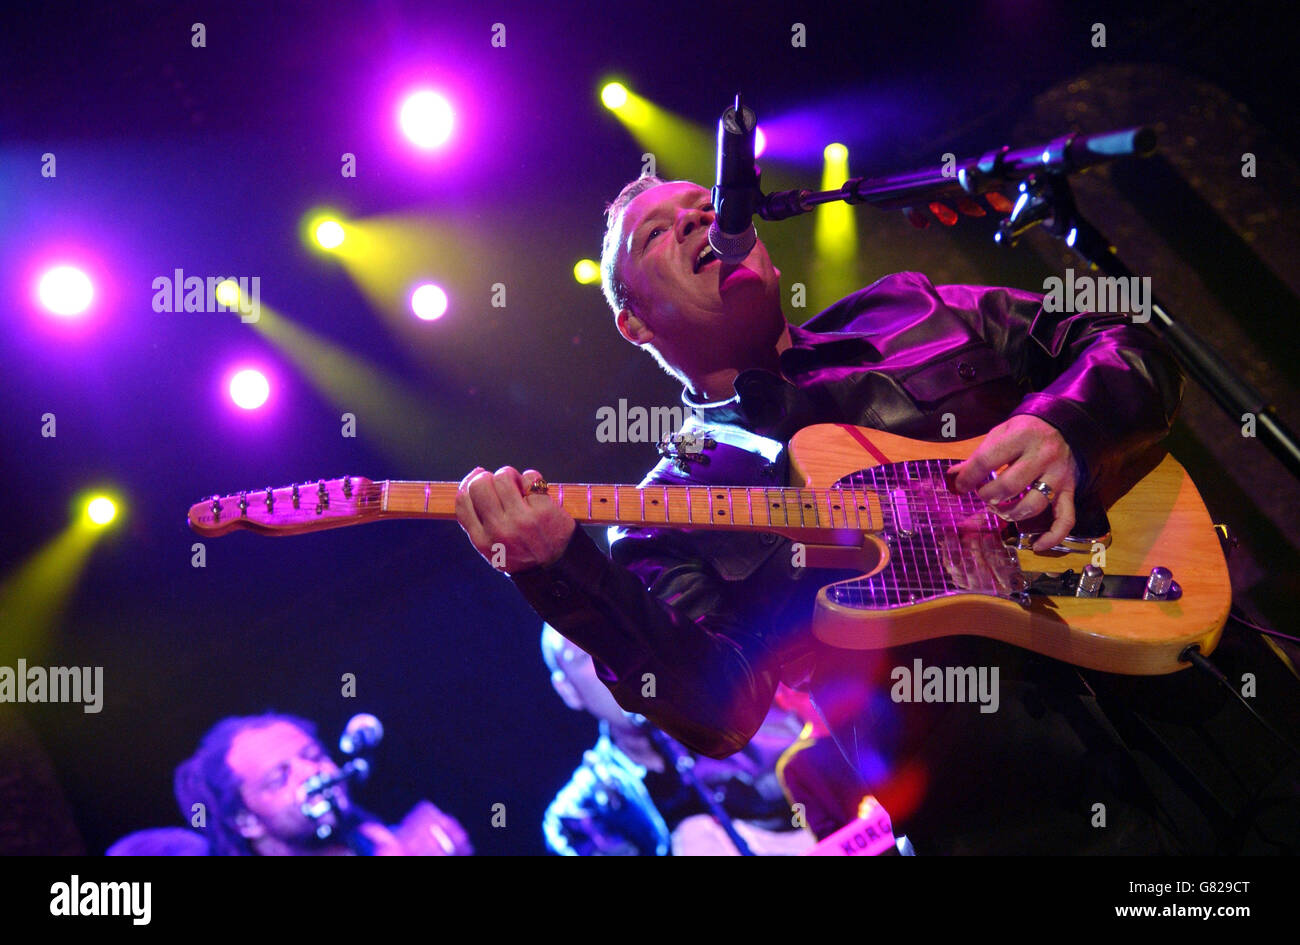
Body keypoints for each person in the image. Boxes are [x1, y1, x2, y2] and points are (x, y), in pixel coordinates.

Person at [455, 175, 1185, 852]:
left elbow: (1122, 339)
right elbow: (722, 710)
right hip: (1026, 820)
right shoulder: (664, 519)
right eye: (656, 233)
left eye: (706, 208)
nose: (700, 220)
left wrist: (1069, 428)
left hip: (1204, 709)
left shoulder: (912, 310)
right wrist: (562, 572)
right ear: (634, 322)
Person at [540, 623, 817, 855]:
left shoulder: (757, 719)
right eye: (582, 656)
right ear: (567, 690)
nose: (607, 664)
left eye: (612, 642)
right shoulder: (579, 817)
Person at [112, 713, 472, 856]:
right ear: (245, 820)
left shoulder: (377, 839)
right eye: (279, 778)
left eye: (314, 756)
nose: (311, 774)